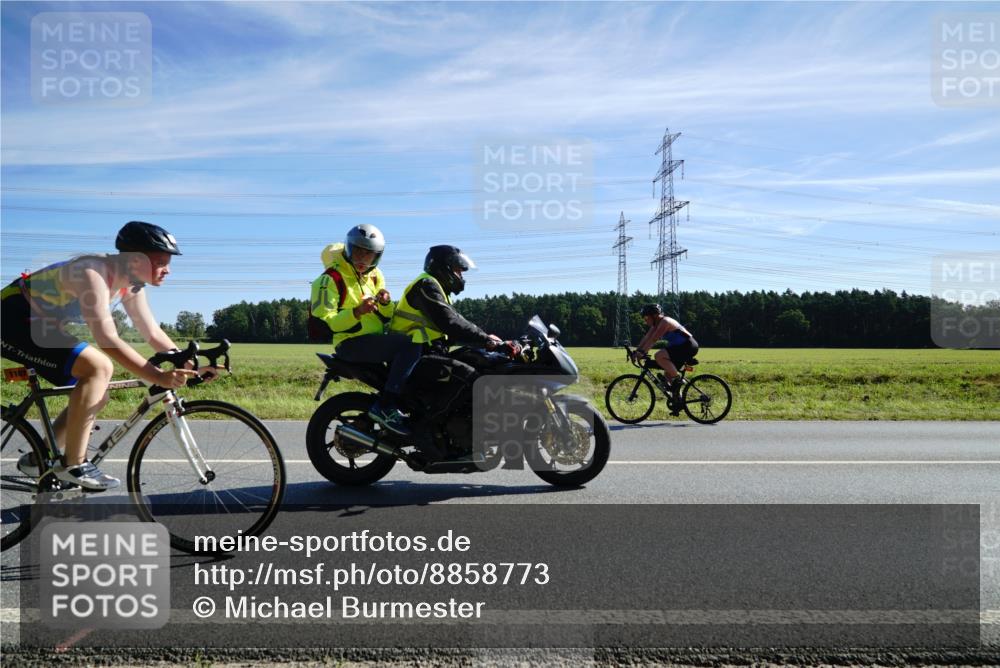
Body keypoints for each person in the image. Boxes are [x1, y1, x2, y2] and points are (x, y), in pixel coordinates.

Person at [1, 221, 203, 490]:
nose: (167, 270)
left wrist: (189, 363)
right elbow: (107, 339)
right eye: (160, 262)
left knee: (99, 391)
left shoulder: (130, 284)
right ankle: (74, 464)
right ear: (134, 259)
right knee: (98, 367)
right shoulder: (92, 272)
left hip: (39, 324)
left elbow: (152, 333)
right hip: (11, 319)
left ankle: (39, 459)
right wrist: (157, 376)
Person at [308, 224, 422, 436]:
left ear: (377, 256)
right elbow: (327, 320)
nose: (362, 258)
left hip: (374, 341)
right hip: (350, 343)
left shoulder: (376, 276)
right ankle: (386, 406)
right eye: (358, 251)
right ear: (349, 249)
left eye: (369, 254)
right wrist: (356, 312)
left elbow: (386, 317)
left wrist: (386, 303)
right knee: (410, 344)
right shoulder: (330, 278)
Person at [631, 303, 699, 397]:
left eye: (646, 318)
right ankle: (677, 400)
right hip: (679, 347)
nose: (645, 320)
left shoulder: (665, 322)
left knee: (659, 355)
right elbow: (647, 337)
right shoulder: (656, 324)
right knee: (668, 374)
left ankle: (678, 379)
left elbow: (653, 339)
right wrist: (637, 351)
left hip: (688, 346)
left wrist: (642, 352)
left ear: (654, 315)